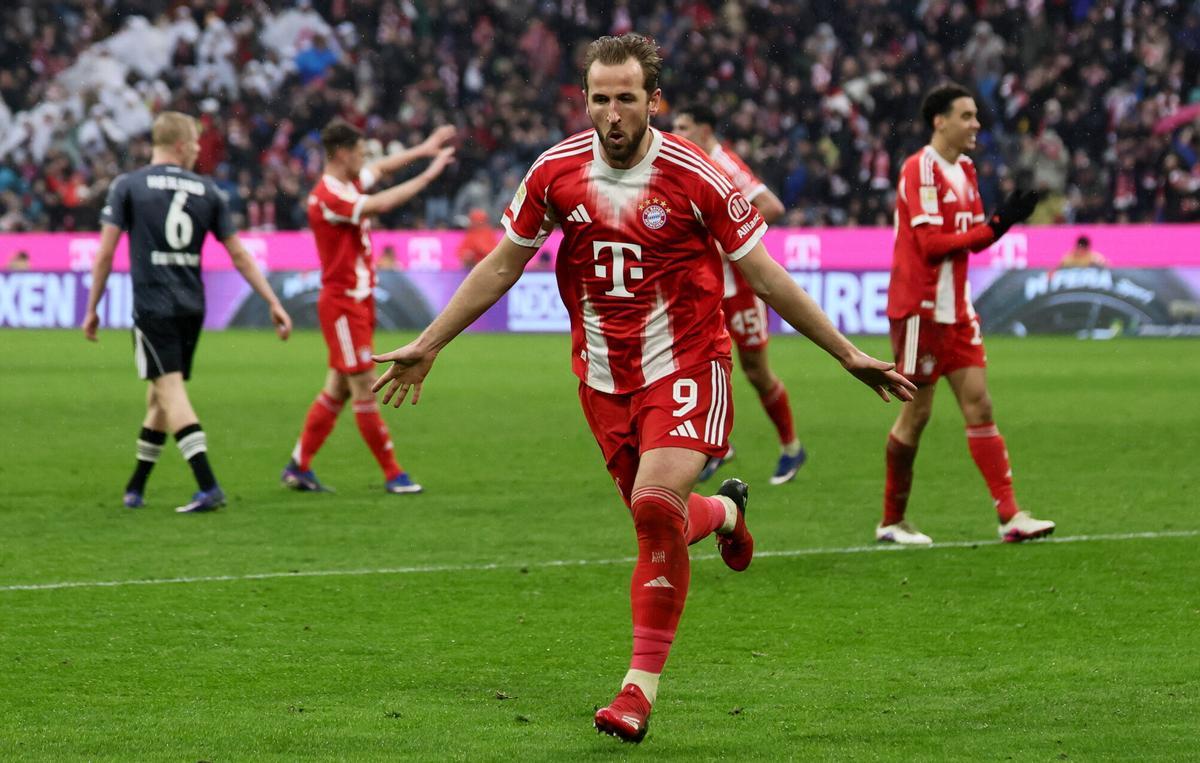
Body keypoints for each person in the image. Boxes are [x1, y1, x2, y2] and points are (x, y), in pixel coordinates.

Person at [371, 34, 915, 743]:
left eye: (627, 97)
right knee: (656, 516)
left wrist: (846, 352)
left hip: (688, 364)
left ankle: (637, 691)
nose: (613, 112)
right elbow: (503, 265)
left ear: (653, 100)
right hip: (603, 378)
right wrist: (430, 342)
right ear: (586, 100)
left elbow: (765, 275)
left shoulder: (697, 175)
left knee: (656, 504)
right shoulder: (554, 172)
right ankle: (723, 512)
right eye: (600, 98)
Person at [82, 111, 293, 513]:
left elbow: (105, 253)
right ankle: (136, 487)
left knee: (170, 391)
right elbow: (238, 253)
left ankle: (208, 484)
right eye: (196, 143)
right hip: (192, 305)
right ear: (180, 145)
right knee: (159, 396)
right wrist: (272, 300)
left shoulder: (128, 186)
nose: (199, 149)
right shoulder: (207, 190)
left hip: (153, 304)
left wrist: (92, 308)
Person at [878, 83, 1056, 545]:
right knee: (916, 416)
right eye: (966, 116)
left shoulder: (968, 170)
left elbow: (974, 234)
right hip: (918, 311)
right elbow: (932, 246)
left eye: (976, 116)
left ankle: (1011, 515)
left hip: (956, 309)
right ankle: (891, 521)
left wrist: (1001, 222)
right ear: (940, 121)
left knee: (980, 403)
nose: (976, 124)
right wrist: (999, 224)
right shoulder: (919, 169)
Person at [279, 120, 455, 494]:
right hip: (342, 305)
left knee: (338, 390)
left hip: (357, 301)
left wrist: (425, 148)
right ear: (343, 154)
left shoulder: (347, 182)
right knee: (363, 385)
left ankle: (298, 466)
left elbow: (384, 168)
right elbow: (381, 203)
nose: (366, 160)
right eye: (360, 152)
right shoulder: (329, 196)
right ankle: (394, 474)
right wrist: (430, 174)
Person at [672, 103, 806, 485]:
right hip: (708, 286)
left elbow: (772, 206)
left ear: (705, 129)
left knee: (756, 371)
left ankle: (792, 449)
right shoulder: (689, 162)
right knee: (695, 362)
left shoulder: (724, 165)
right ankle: (718, 446)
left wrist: (731, 234)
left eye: (683, 126)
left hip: (741, 289)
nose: (676, 132)